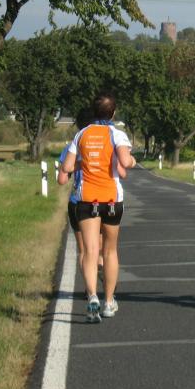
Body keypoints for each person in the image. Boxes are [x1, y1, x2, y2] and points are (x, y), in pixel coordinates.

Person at [61, 93, 135, 323]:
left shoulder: (82, 134)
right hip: (112, 200)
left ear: (94, 112)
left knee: (90, 252)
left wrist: (86, 163)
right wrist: (132, 161)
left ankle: (92, 296)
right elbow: (125, 162)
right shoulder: (117, 134)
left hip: (86, 199)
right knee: (110, 251)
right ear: (113, 113)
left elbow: (67, 167)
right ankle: (109, 302)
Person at [57, 108, 127, 297]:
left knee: (85, 250)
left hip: (79, 201)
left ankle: (90, 291)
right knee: (104, 247)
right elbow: (122, 171)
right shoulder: (107, 142)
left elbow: (62, 179)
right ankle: (104, 271)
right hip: (105, 198)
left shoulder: (72, 145)